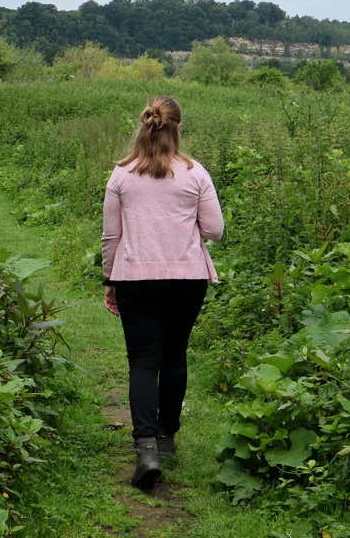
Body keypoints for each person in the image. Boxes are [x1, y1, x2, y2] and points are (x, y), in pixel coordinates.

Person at [101, 96, 224, 490]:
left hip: (135, 278)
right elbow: (214, 230)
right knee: (174, 355)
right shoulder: (195, 173)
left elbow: (111, 236)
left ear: (146, 124)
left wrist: (110, 280)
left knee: (142, 363)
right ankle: (167, 437)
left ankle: (146, 448)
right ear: (179, 128)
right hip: (187, 279)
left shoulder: (121, 174)